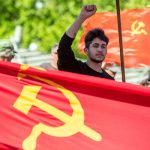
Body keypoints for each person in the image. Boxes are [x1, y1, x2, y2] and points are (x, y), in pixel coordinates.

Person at [57, 5, 114, 80]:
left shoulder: (109, 80)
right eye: (95, 46)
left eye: (103, 46)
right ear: (86, 50)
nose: (100, 50)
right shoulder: (74, 68)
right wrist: (82, 17)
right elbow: (63, 46)